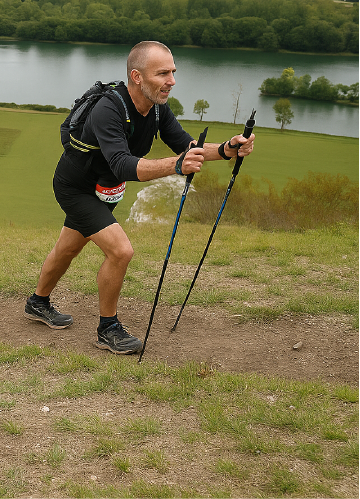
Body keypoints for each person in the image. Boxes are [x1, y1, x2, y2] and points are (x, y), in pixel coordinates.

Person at [24, 40, 255, 354]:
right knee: (121, 252)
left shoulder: (157, 109)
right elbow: (122, 163)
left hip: (106, 189)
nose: (171, 80)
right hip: (76, 189)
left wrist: (228, 148)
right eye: (162, 73)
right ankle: (108, 329)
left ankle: (37, 303)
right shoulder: (109, 108)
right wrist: (175, 166)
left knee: (68, 248)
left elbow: (187, 147)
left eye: (172, 72)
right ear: (137, 77)